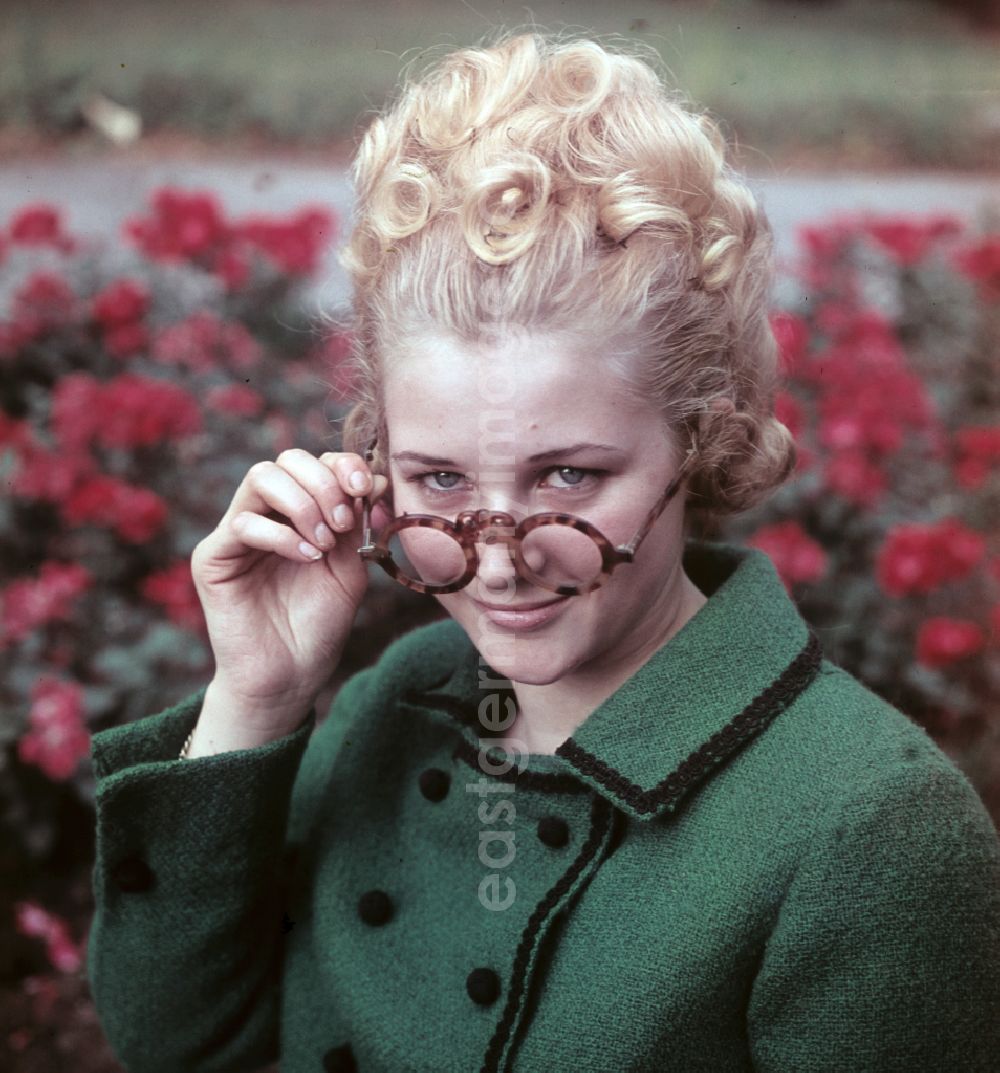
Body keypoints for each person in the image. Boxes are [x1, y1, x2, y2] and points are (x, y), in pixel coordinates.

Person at [86, 30, 1000, 1073]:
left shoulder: (871, 824)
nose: (497, 562)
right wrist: (254, 700)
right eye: (438, 481)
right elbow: (177, 1039)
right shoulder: (394, 698)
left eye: (567, 477)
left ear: (700, 438)